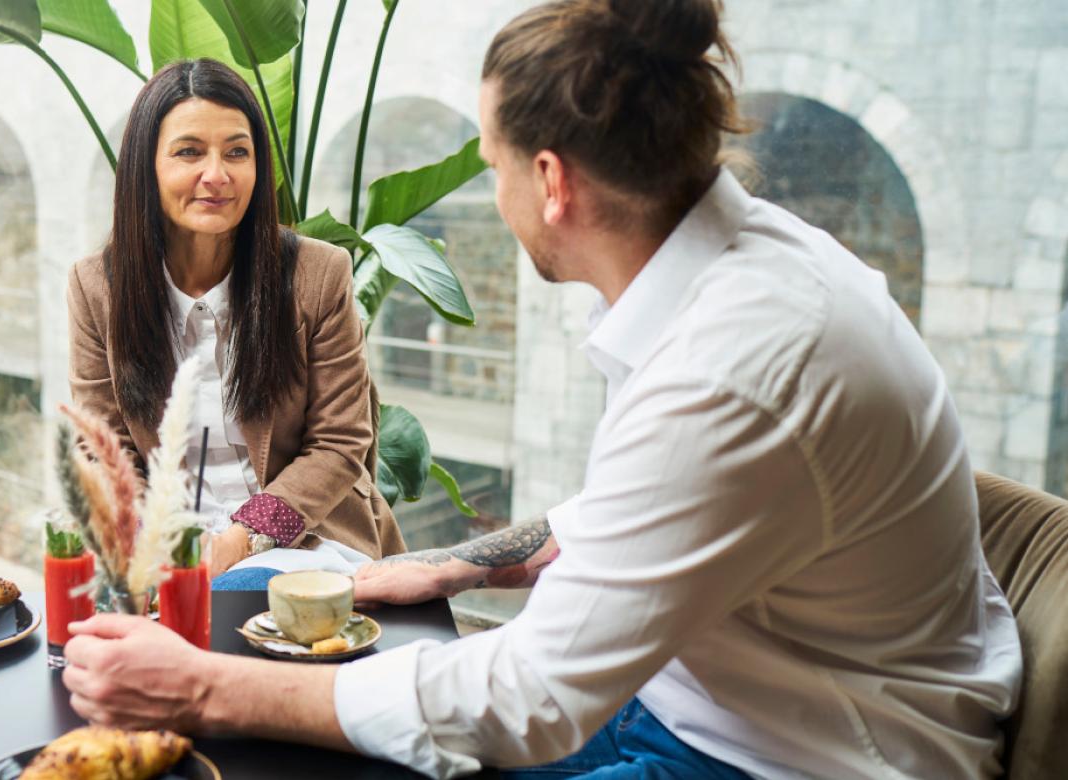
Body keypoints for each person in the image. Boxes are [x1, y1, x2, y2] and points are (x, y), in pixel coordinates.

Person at [61, 2, 1023, 777]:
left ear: (552, 181)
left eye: (492, 167)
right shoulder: (739, 278)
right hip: (704, 699)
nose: (494, 187)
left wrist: (202, 689)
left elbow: (533, 700)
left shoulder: (736, 368)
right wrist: (463, 564)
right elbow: (649, 510)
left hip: (798, 750)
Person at [66, 58, 406, 583]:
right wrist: (172, 544)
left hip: (305, 538)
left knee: (240, 594)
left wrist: (243, 537)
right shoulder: (97, 287)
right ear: (145, 167)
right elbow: (103, 448)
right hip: (168, 546)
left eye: (237, 152)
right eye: (189, 152)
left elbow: (340, 443)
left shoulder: (318, 273)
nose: (217, 175)